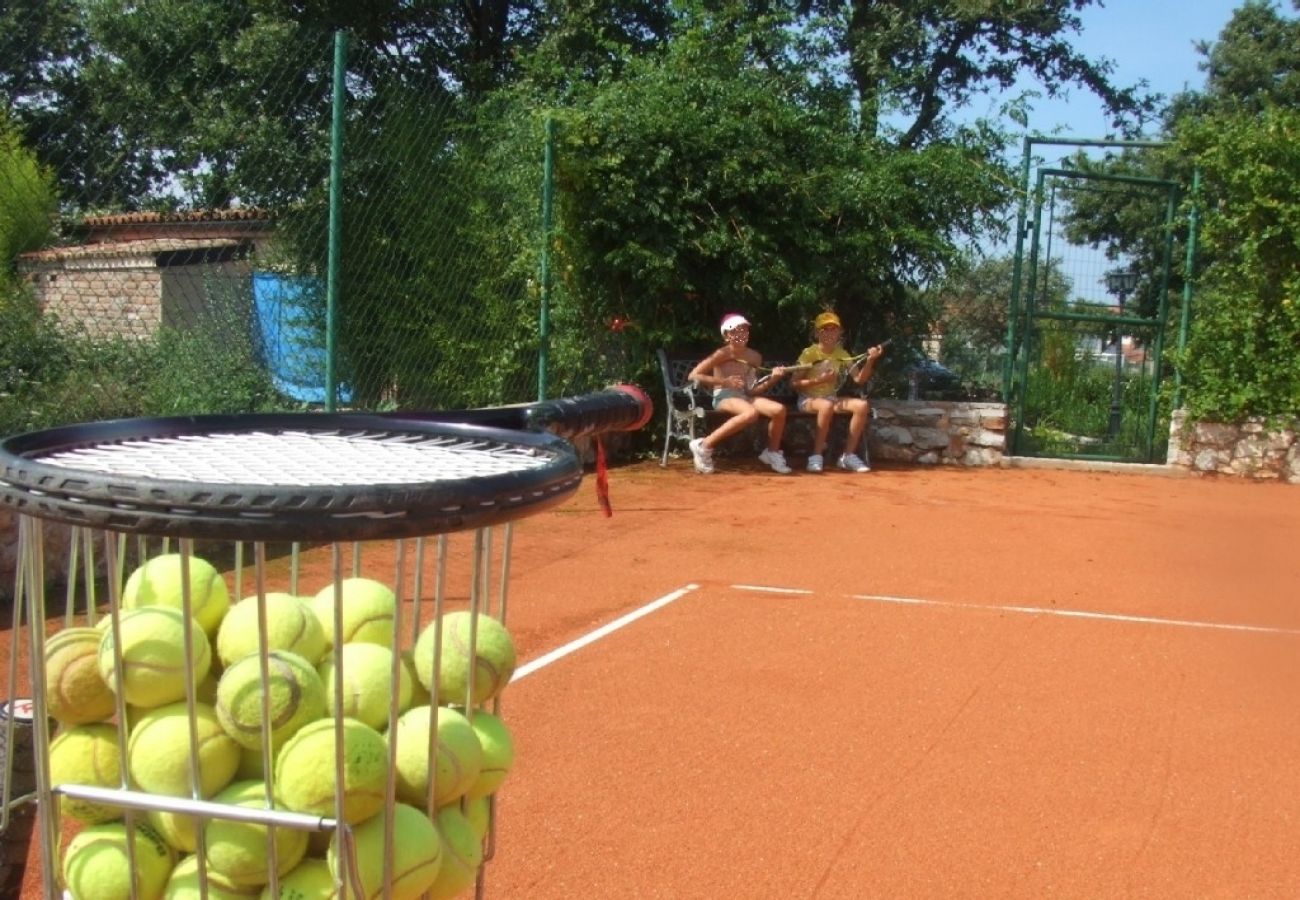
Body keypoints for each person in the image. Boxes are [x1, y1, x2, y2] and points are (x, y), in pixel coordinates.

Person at [686, 314, 793, 475]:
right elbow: (693, 375)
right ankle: (704, 445)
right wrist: (725, 382)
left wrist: (774, 378)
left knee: (779, 410)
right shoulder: (722, 353)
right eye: (736, 331)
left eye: (744, 330)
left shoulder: (755, 357)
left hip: (745, 396)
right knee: (750, 413)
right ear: (727, 335)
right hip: (724, 396)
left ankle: (772, 452)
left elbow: (752, 389)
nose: (741, 334)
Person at [790, 310, 885, 473]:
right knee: (826, 406)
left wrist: (870, 361)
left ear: (839, 332)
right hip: (807, 400)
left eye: (833, 329)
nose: (829, 333)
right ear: (817, 333)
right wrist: (818, 381)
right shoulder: (809, 353)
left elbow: (859, 379)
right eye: (824, 329)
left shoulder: (841, 353)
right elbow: (793, 383)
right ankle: (816, 456)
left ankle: (847, 456)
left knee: (861, 406)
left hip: (830, 399)